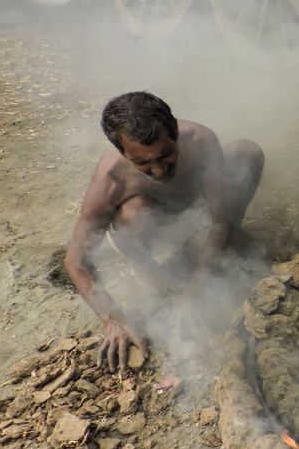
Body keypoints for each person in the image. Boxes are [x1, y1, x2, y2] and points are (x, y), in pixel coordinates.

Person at [64, 91, 264, 372]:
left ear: (175, 131)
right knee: (134, 212)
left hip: (194, 211)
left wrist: (194, 294)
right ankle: (148, 270)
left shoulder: (202, 140)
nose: (158, 170)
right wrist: (112, 319)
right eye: (142, 163)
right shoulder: (111, 180)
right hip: (146, 231)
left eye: (166, 154)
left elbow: (221, 220)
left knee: (247, 152)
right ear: (122, 152)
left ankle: (226, 247)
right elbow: (75, 261)